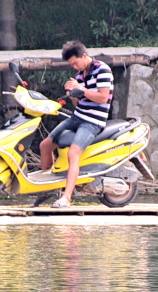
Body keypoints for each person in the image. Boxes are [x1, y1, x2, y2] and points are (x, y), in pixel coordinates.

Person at [39, 40, 114, 208]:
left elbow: (103, 98)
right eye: (71, 65)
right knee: (45, 145)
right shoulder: (81, 74)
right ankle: (48, 190)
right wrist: (72, 94)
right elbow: (78, 104)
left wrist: (81, 89)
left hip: (93, 121)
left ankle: (66, 197)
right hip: (77, 117)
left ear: (84, 56)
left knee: (73, 154)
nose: (74, 67)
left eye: (75, 63)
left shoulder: (103, 70)